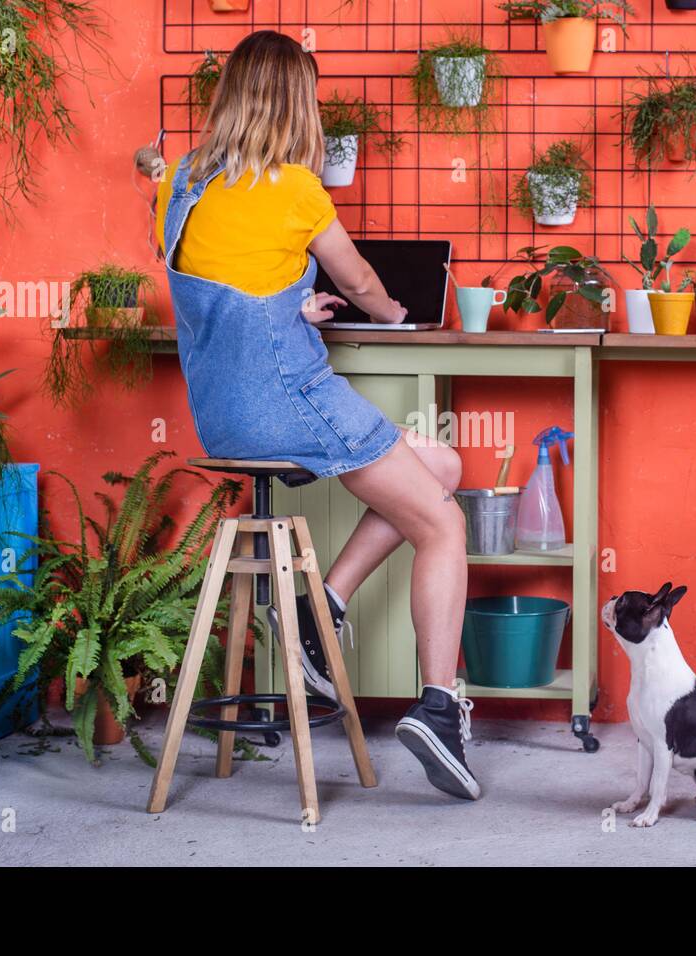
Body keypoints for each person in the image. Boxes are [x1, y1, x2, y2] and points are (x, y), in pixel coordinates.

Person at [155, 30, 478, 800]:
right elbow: (361, 278)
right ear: (297, 103)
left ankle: (317, 607)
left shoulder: (185, 182)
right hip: (291, 401)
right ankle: (439, 706)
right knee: (445, 523)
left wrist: (291, 301)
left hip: (224, 419)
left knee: (443, 468)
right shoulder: (298, 188)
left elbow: (216, 287)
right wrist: (393, 309)